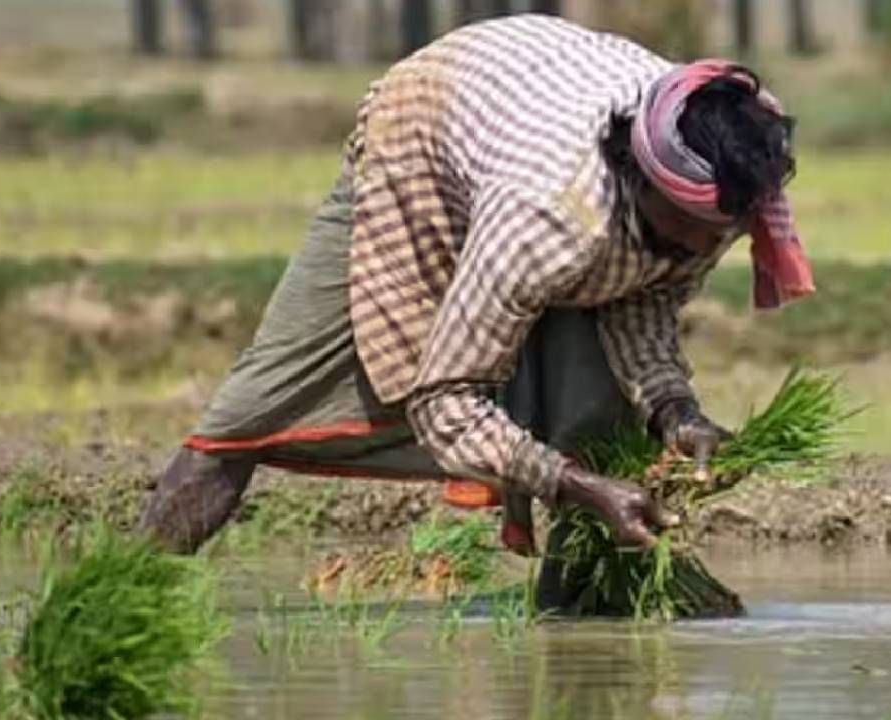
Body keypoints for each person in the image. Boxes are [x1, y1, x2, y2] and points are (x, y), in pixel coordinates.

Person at [137, 14, 812, 561]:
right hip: (426, 132)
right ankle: (128, 586)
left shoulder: (713, 187)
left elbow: (647, 295)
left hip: (528, 99)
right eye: (683, 235)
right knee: (254, 408)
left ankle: (588, 625)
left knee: (604, 415)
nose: (699, 253)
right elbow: (446, 400)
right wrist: (574, 486)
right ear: (638, 182)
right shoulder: (548, 217)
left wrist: (675, 411)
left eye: (715, 236)